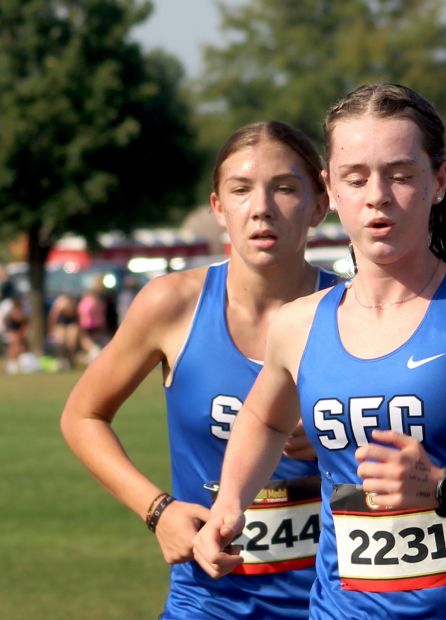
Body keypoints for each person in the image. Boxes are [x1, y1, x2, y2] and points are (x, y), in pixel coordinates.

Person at [193, 83, 446, 619]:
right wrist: (230, 502)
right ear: (331, 190)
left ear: (437, 182)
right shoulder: (299, 324)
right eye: (356, 177)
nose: (377, 196)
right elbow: (264, 419)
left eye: (400, 174)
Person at [60, 121, 335, 619]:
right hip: (208, 601)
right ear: (218, 209)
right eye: (241, 189)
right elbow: (82, 416)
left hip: (334, 602)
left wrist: (338, 439)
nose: (262, 208)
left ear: (319, 205)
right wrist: (156, 510)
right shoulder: (173, 305)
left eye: (285, 188)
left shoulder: (357, 311)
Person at [47, 293, 81, 369]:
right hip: (60, 323)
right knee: (60, 342)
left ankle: (71, 360)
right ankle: (61, 360)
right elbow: (53, 317)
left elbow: (77, 319)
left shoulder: (73, 306)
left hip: (70, 323)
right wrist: (51, 330)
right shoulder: (59, 304)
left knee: (71, 342)